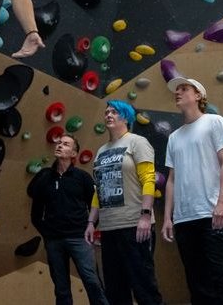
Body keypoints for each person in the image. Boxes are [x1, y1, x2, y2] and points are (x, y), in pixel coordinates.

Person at [161, 76, 223, 304]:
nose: (178, 92)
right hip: (183, 219)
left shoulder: (214, 122)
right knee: (197, 285)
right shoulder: (174, 137)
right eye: (176, 90)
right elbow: (171, 179)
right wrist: (168, 217)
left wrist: (222, 204)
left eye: (184, 88)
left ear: (198, 95)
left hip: (212, 214)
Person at [85, 100, 163, 305]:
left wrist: (145, 215)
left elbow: (148, 179)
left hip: (135, 226)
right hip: (110, 228)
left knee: (144, 287)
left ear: (126, 117)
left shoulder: (137, 142)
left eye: (115, 112)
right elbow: (98, 189)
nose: (109, 115)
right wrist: (91, 222)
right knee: (115, 291)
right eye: (107, 112)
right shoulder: (101, 150)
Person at [27, 134, 108, 305]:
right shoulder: (45, 177)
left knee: (92, 282)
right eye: (58, 143)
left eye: (65, 144)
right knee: (61, 289)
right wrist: (47, 234)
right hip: (54, 241)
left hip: (79, 237)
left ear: (74, 153)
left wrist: (91, 226)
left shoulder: (82, 177)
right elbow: (35, 213)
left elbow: (95, 205)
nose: (59, 145)